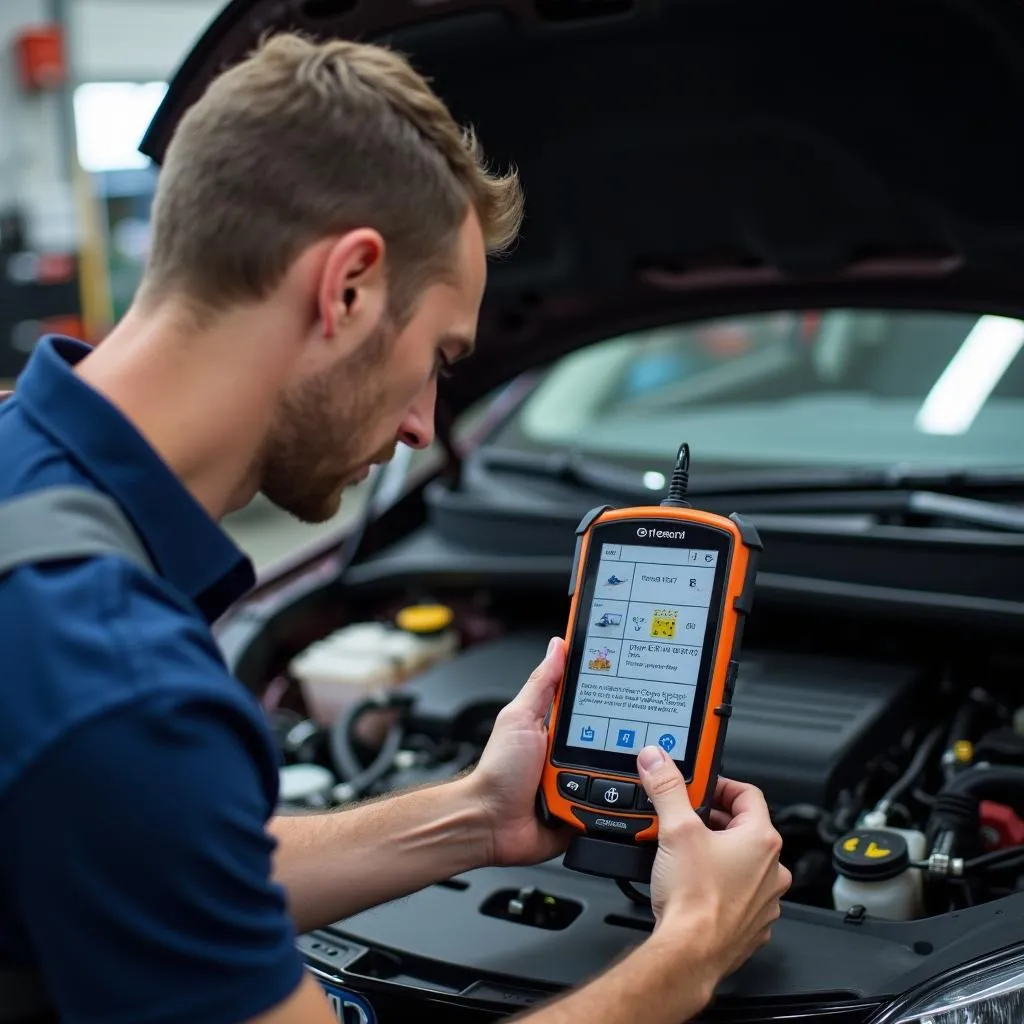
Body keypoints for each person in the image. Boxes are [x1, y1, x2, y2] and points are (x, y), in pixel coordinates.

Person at [0, 31, 790, 1024]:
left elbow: (158, 860)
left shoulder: (22, 479)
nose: (424, 422)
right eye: (436, 355)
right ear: (348, 287)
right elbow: (133, 780)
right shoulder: (113, 675)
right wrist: (688, 953)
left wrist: (473, 814)